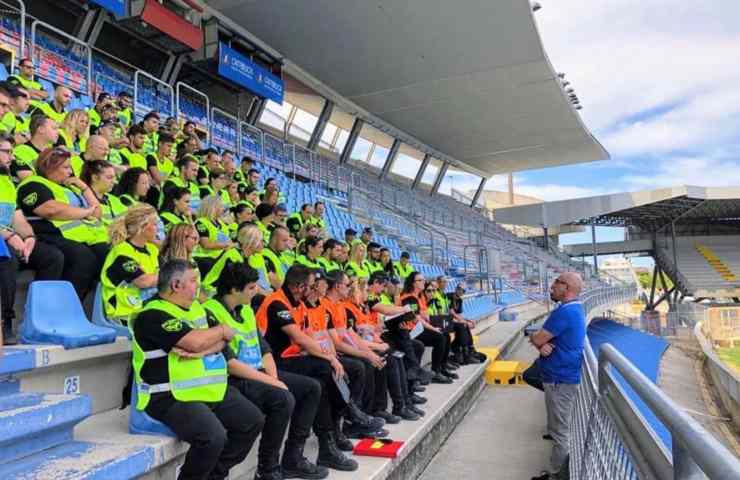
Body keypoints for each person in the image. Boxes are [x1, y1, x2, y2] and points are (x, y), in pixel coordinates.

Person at [131, 259, 264, 480]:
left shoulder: (197, 310)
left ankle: (215, 476)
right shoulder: (152, 314)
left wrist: (205, 346)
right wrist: (219, 331)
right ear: (175, 285)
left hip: (204, 389)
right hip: (168, 396)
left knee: (252, 421)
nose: (198, 286)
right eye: (193, 281)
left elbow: (224, 342)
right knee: (213, 437)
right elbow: (195, 341)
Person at [205, 263, 327, 480]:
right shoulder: (211, 312)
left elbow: (263, 348)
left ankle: (293, 458)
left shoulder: (245, 310)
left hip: (257, 373)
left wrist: (273, 377)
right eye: (252, 287)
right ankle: (267, 469)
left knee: (311, 388)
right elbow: (229, 362)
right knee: (283, 399)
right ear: (234, 289)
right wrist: (271, 382)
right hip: (234, 378)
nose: (257, 291)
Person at [256, 265, 378, 471]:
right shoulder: (278, 303)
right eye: (310, 286)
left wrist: (330, 357)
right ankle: (344, 417)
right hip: (272, 364)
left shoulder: (299, 303)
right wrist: (331, 359)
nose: (313, 289)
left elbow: (312, 336)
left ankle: (327, 440)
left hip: (292, 360)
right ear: (298, 287)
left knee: (321, 382)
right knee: (324, 371)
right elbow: (300, 338)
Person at [16, 147, 108, 300]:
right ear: (49, 167)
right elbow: (50, 210)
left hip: (81, 237)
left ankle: (75, 308)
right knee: (83, 257)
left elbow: (98, 213)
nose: (70, 171)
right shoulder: (33, 183)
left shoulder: (70, 186)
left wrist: (85, 188)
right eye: (65, 167)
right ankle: (61, 308)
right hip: (47, 234)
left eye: (70, 167)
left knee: (105, 254)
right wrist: (85, 212)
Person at [0, 135, 64, 343]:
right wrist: (9, 236)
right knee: (7, 259)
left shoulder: (7, 182)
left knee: (52, 256)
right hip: (4, 241)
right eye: (6, 152)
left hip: (11, 238)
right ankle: (6, 321)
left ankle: (40, 319)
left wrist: (28, 237)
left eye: (12, 151)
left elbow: (17, 217)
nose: (12, 156)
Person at [529, 272, 586, 480]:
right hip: (560, 377)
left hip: (560, 379)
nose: (552, 286)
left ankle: (556, 475)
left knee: (560, 430)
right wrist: (540, 342)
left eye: (556, 282)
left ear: (567, 287)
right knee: (557, 427)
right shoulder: (573, 308)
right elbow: (539, 340)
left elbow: (537, 338)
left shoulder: (565, 312)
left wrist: (538, 340)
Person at [323, 271, 390, 437]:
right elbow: (338, 342)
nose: (349, 289)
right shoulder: (326, 305)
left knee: (374, 360)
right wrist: (367, 355)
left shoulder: (338, 305)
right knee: (361, 366)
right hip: (330, 353)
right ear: (337, 287)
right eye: (347, 285)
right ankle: (353, 420)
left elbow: (349, 335)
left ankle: (363, 417)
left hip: (338, 350)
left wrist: (369, 353)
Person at [363, 272, 424, 420]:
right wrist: (404, 310)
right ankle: (399, 405)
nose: (384, 288)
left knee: (403, 350)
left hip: (377, 336)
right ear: (375, 282)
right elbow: (385, 311)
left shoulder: (373, 297)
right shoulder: (369, 297)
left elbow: (379, 320)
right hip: (372, 340)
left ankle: (405, 401)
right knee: (394, 357)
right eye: (383, 285)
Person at [100, 204, 159, 325]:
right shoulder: (122, 252)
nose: (157, 228)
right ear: (142, 227)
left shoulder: (153, 249)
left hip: (146, 308)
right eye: (154, 224)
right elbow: (143, 281)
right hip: (124, 312)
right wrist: (166, 275)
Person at [399, 272, 454, 383]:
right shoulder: (409, 298)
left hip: (417, 328)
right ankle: (435, 372)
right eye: (420, 280)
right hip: (410, 331)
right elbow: (417, 319)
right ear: (413, 283)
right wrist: (433, 329)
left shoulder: (418, 296)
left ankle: (441, 367)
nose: (423, 282)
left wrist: (435, 325)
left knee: (445, 334)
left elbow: (424, 315)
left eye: (423, 279)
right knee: (440, 337)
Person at [202, 223, 271, 296]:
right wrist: (267, 294)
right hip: (212, 291)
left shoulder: (247, 257)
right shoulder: (234, 256)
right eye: (261, 241)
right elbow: (243, 284)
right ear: (251, 242)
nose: (264, 243)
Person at [193, 195, 234, 276]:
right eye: (221, 206)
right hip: (206, 258)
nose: (223, 209)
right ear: (213, 207)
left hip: (222, 258)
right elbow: (206, 244)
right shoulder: (201, 222)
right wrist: (226, 245)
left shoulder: (223, 225)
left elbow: (230, 243)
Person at [80, 160, 127, 227]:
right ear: (95, 178)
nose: (114, 182)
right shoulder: (80, 198)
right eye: (109, 177)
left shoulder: (114, 199)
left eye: (114, 177)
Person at [13, 114, 59, 181]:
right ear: (41, 129)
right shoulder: (21, 150)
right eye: (54, 128)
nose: (58, 132)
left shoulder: (52, 155)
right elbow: (29, 180)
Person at [261, 225, 291, 290]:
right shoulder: (265, 255)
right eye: (284, 240)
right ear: (274, 240)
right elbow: (275, 282)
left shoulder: (281, 255)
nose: (287, 244)